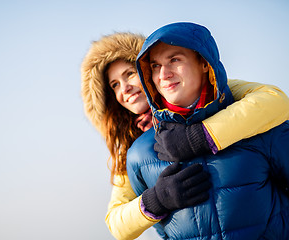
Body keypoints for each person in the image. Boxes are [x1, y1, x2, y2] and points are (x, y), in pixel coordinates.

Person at [81, 32, 289, 240]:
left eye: (129, 74)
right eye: (114, 84)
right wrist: (156, 201)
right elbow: (118, 224)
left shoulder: (213, 91)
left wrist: (200, 136)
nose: (124, 88)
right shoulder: (132, 147)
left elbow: (273, 101)